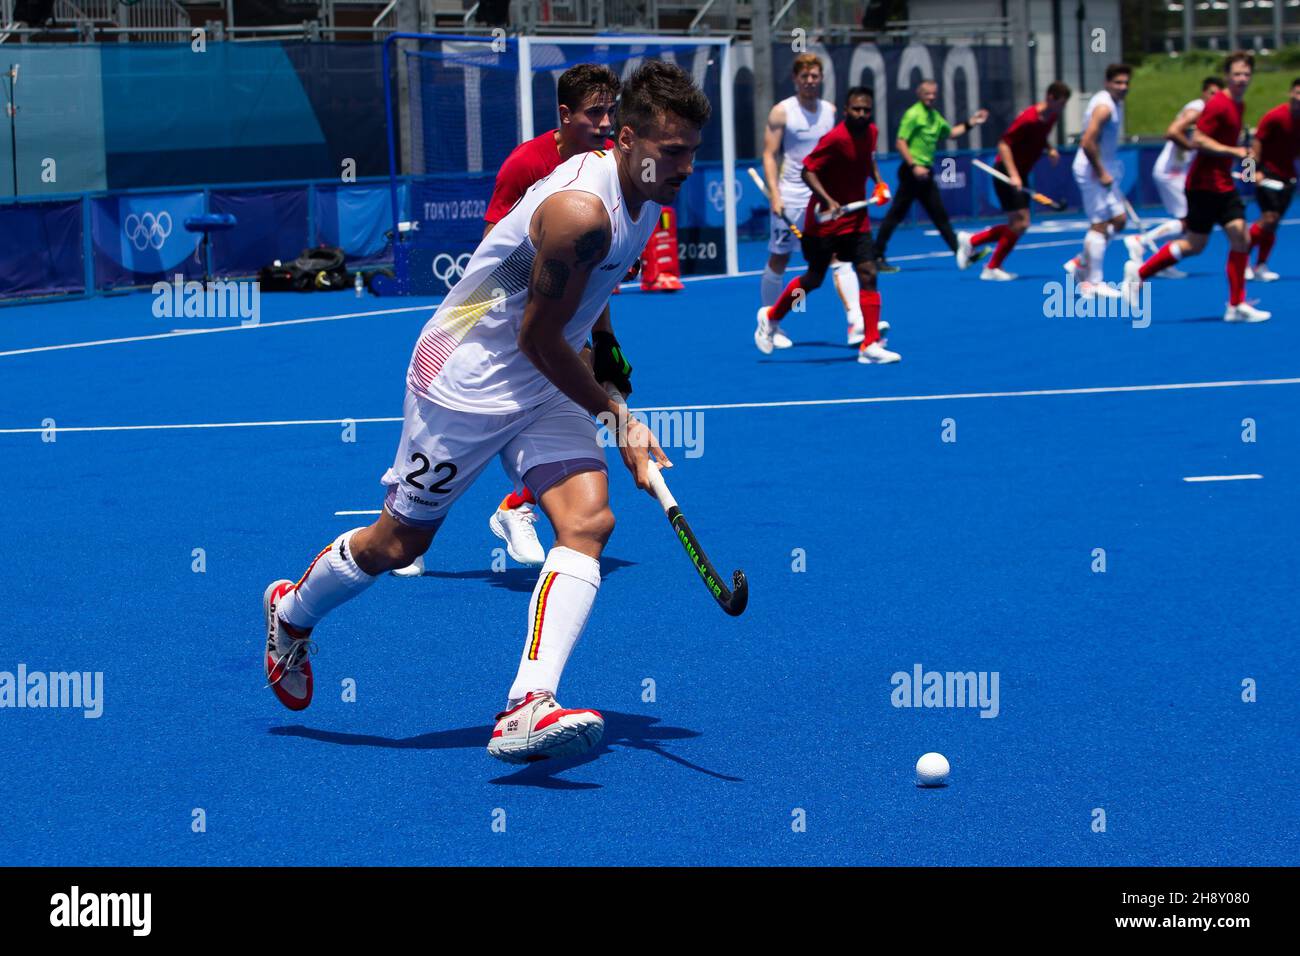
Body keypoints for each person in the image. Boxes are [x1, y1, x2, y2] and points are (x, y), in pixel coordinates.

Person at [263, 61, 710, 765]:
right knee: (400, 545)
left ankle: (527, 706)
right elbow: (533, 334)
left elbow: (558, 306)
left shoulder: (645, 191)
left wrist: (606, 364)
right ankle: (290, 612)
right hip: (465, 378)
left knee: (589, 521)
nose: (688, 166)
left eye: (693, 151)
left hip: (536, 375)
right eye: (674, 152)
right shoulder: (579, 212)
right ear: (626, 140)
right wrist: (618, 416)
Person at [394, 64, 624, 577]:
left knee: (570, 411)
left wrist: (602, 338)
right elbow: (496, 256)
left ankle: (518, 503)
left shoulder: (610, 171)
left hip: (554, 315)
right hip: (485, 309)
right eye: (595, 113)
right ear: (565, 115)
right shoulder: (528, 164)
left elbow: (585, 275)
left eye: (612, 110)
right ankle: (409, 523)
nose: (607, 123)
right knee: (440, 432)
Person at [755, 86, 899, 365]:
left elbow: (868, 159)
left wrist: (879, 182)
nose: (861, 114)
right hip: (823, 224)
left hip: (856, 221)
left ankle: (869, 344)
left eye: (866, 109)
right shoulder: (835, 139)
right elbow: (808, 170)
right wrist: (828, 201)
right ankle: (771, 317)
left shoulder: (872, 133)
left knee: (868, 271)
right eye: (856, 109)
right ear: (846, 111)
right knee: (813, 279)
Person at [1124, 52, 1270, 323]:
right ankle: (1140, 273)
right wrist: (1232, 151)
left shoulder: (1239, 106)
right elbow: (1199, 139)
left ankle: (1235, 306)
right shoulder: (1218, 104)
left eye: (1247, 74)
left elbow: (1240, 151)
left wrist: (1248, 170)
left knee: (1240, 237)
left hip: (1223, 184)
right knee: (1194, 244)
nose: (1242, 79)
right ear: (1227, 75)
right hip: (1203, 184)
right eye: (1237, 74)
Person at [759, 53, 869, 347]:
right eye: (804, 77)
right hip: (791, 197)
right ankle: (772, 323)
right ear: (796, 79)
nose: (810, 81)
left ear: (821, 79)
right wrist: (775, 193)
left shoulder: (830, 111)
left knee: (840, 256)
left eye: (814, 76)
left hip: (822, 200)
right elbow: (770, 154)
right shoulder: (782, 112)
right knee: (780, 259)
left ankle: (856, 321)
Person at [872, 79, 989, 273]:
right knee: (895, 215)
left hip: (926, 173)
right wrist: (914, 166)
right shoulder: (913, 114)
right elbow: (900, 142)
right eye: (927, 93)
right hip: (911, 172)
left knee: (939, 215)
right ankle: (876, 256)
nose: (931, 97)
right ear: (920, 94)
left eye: (934, 93)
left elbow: (951, 133)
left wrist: (972, 122)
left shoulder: (935, 117)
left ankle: (961, 253)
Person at [959, 82, 1070, 281]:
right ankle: (991, 266)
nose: (1062, 108)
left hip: (1020, 172)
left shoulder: (1051, 117)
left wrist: (1049, 148)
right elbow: (1003, 144)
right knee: (1021, 222)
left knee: (1017, 223)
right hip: (1007, 171)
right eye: (1061, 103)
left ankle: (973, 241)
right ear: (1050, 98)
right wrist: (1014, 175)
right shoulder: (1028, 118)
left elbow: (1040, 136)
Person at [1122, 76, 1225, 278]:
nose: (1215, 98)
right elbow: (1172, 132)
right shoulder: (1197, 108)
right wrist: (1192, 147)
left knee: (1188, 222)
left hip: (1181, 172)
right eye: (1212, 93)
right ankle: (1141, 242)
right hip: (1172, 172)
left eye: (1218, 95)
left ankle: (1163, 261)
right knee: (1188, 221)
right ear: (1204, 92)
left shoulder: (1213, 113)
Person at [1064, 64, 1132, 297]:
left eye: (1126, 83)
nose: (1123, 87)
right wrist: (1101, 171)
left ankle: (1081, 262)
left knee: (1120, 220)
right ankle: (1092, 282)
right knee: (1100, 224)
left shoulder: (1114, 103)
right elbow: (1087, 142)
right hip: (1092, 168)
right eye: (1118, 83)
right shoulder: (1104, 107)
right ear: (1107, 83)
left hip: (1102, 166)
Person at [1245, 77, 1300, 281]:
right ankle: (1242, 260)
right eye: (1298, 93)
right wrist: (1250, 172)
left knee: (1274, 224)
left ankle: (1260, 266)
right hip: (1266, 174)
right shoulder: (1275, 116)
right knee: (1269, 218)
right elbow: (1255, 143)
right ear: (1291, 94)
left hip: (1288, 177)